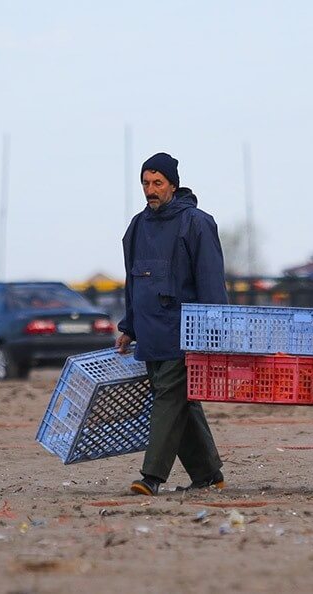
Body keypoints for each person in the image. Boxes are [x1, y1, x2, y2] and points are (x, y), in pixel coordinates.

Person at [116, 152, 228, 496]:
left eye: (157, 183)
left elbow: (211, 280)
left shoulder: (196, 222)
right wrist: (129, 326)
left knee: (169, 398)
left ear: (173, 185)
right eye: (146, 183)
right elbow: (133, 283)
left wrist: (213, 332)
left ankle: (151, 477)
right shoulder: (136, 226)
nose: (151, 190)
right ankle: (209, 475)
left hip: (186, 334)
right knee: (181, 401)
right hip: (151, 334)